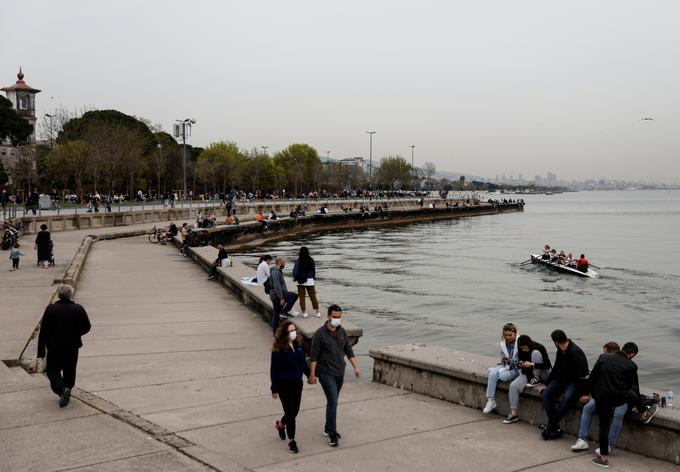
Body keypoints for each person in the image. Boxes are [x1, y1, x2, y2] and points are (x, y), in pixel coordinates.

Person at [585, 342, 658, 468]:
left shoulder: (603, 357)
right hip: (618, 399)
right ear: (632, 354)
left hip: (601, 397)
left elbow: (592, 377)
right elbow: (631, 389)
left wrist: (594, 394)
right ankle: (643, 411)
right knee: (631, 398)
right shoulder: (631, 366)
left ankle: (603, 459)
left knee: (604, 426)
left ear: (622, 348)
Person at [309, 304, 360, 447]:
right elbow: (314, 356)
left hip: (339, 372)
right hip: (325, 373)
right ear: (328, 316)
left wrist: (355, 367)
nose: (337, 320)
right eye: (335, 317)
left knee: (333, 402)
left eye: (339, 317)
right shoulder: (320, 334)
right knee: (333, 401)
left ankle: (327, 427)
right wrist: (312, 375)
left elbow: (348, 350)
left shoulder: (342, 331)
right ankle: (332, 432)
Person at [36, 284, 91, 408]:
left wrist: (41, 352)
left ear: (59, 295)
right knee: (69, 370)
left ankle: (61, 390)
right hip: (72, 346)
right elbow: (87, 327)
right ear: (70, 295)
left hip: (55, 347)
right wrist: (76, 333)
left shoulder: (51, 309)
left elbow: (44, 331)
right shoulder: (78, 309)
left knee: (52, 371)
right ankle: (67, 389)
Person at [539, 329, 589, 440]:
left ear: (555, 342)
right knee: (546, 394)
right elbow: (556, 368)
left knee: (567, 399)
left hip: (575, 381)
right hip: (562, 378)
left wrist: (585, 393)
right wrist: (547, 384)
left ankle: (550, 426)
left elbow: (584, 374)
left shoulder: (576, 352)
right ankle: (555, 427)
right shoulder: (560, 350)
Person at [270, 321, 310, 454]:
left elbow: (303, 364)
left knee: (294, 412)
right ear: (284, 333)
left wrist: (310, 375)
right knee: (290, 414)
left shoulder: (298, 346)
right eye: (290, 331)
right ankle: (292, 441)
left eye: (294, 330)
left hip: (297, 384)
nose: (293, 333)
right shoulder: (278, 349)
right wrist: (274, 388)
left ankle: (280, 425)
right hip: (283, 386)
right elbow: (274, 370)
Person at [502, 334, 552, 424]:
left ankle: (536, 379)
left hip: (543, 373)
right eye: (522, 348)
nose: (523, 350)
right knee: (513, 386)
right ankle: (514, 414)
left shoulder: (539, 347)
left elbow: (547, 365)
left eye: (525, 348)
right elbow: (522, 364)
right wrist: (521, 364)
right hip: (529, 374)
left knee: (535, 353)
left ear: (529, 344)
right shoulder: (521, 349)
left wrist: (532, 364)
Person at [482, 323, 520, 414]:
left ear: (515, 334)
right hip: (506, 365)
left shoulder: (520, 343)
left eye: (510, 335)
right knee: (492, 374)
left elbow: (521, 362)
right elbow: (503, 357)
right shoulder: (504, 343)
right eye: (506, 335)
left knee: (502, 376)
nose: (508, 337)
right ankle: (491, 400)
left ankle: (497, 371)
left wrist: (510, 361)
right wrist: (504, 359)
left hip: (516, 369)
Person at [269, 258, 300, 334]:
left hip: (276, 294)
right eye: (284, 263)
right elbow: (277, 286)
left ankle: (275, 333)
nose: (284, 264)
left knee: (276, 313)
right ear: (279, 263)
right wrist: (281, 298)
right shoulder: (276, 272)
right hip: (277, 295)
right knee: (294, 296)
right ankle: (284, 312)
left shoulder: (277, 271)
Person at [293, 246, 320, 319]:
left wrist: (295, 278)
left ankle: (304, 312)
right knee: (313, 296)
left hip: (301, 281)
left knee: (302, 297)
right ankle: (317, 312)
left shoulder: (298, 261)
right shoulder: (311, 260)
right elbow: (313, 270)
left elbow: (295, 271)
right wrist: (313, 278)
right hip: (310, 280)